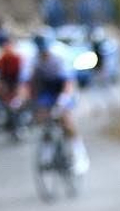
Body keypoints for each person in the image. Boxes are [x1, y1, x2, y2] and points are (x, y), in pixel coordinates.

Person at [22, 33, 89, 174]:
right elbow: (28, 84)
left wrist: (64, 99)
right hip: (46, 91)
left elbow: (68, 82)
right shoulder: (33, 61)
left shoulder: (60, 58)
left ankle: (79, 153)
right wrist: (25, 99)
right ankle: (47, 151)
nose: (43, 53)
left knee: (66, 120)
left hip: (62, 89)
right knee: (43, 118)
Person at [0, 38, 24, 123]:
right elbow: (0, 74)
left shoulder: (18, 58)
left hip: (16, 81)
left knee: (18, 99)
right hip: (7, 81)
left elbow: (23, 74)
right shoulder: (1, 59)